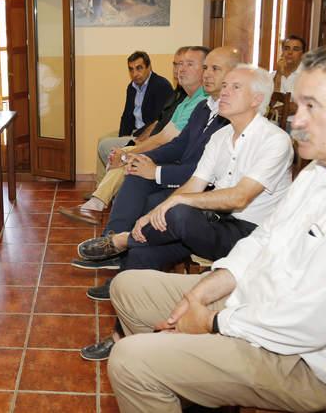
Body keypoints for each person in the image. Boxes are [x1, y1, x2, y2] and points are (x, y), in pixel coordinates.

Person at [107, 43, 326, 413]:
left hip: (301, 359)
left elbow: (309, 322)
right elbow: (266, 237)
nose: (296, 120)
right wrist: (211, 285)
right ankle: (184, 381)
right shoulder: (324, 168)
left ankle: (166, 366)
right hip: (257, 301)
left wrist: (211, 320)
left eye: (310, 107)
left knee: (130, 360)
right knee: (128, 286)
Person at [78, 64, 292, 361]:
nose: (224, 92)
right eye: (225, 85)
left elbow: (240, 196)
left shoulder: (275, 140)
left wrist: (174, 206)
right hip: (209, 226)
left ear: (257, 99)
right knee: (145, 250)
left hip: (248, 236)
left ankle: (124, 239)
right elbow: (195, 183)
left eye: (235, 87)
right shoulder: (220, 137)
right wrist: (157, 211)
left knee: (178, 214)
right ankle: (120, 336)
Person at [60, 46, 224, 225]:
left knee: (128, 159)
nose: (179, 70)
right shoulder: (188, 100)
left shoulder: (199, 101)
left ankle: (97, 204)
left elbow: (165, 138)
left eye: (189, 64)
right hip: (158, 145)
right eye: (177, 64)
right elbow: (155, 129)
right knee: (118, 150)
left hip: (177, 163)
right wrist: (128, 150)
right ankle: (101, 199)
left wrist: (131, 151)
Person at [93, 51, 174, 183]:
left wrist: (132, 140)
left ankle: (113, 185)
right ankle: (100, 185)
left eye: (139, 68)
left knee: (105, 145)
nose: (135, 73)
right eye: (131, 69)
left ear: (149, 67)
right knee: (102, 140)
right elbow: (127, 116)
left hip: (146, 135)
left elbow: (158, 121)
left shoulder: (161, 86)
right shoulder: (132, 87)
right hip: (134, 130)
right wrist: (122, 137)